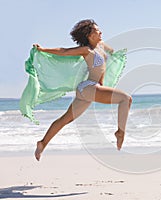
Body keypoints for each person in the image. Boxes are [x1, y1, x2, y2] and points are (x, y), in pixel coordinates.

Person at [33, 19, 132, 161]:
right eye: (97, 30)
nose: (101, 32)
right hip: (89, 87)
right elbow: (64, 51)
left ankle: (42, 143)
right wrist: (43, 49)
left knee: (65, 119)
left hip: (89, 90)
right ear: (89, 35)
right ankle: (120, 132)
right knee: (126, 99)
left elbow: (113, 54)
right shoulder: (87, 50)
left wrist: (117, 54)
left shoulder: (101, 46)